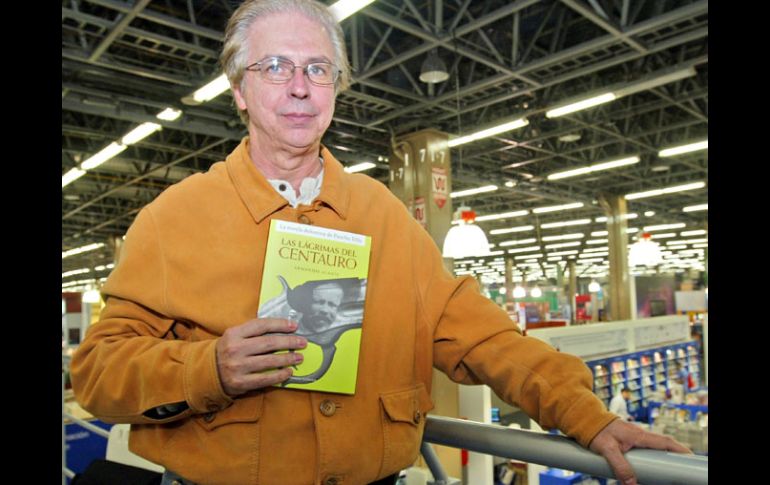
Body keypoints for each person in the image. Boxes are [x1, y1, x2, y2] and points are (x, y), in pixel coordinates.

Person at [70, 1, 690, 484]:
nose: (299, 87)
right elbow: (99, 374)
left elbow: (482, 337)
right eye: (275, 67)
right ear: (238, 90)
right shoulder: (171, 219)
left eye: (318, 69)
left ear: (336, 90)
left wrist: (588, 415)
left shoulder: (385, 216)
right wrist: (208, 369)